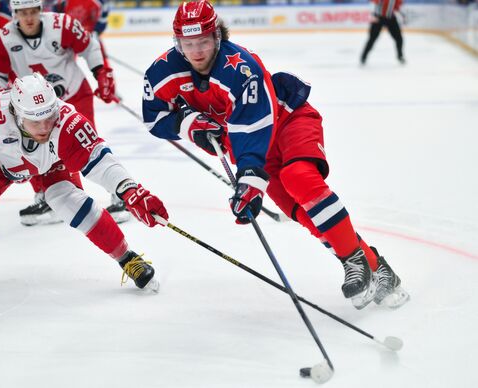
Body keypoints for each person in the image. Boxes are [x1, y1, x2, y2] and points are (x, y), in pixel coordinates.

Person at [142, 0, 409, 309]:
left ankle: (352, 259)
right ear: (177, 43)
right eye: (188, 44)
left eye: (203, 41)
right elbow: (154, 117)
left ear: (217, 37)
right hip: (251, 146)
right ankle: (377, 267)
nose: (197, 51)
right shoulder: (164, 70)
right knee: (305, 214)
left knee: (298, 177)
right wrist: (190, 124)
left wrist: (250, 180)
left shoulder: (239, 67)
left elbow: (254, 125)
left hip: (287, 122)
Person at [0, 73, 168, 291]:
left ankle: (127, 256)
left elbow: (99, 158)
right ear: (16, 114)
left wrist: (130, 190)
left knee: (68, 200)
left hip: (51, 163)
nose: (44, 128)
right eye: (34, 121)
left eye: (49, 117)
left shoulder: (66, 119)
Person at [0, 0, 128, 227]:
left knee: (86, 146)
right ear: (14, 13)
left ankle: (121, 193)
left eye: (33, 12)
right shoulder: (5, 37)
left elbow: (89, 45)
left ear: (41, 10)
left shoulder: (62, 25)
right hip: (33, 109)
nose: (29, 18)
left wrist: (101, 72)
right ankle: (47, 197)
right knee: (31, 150)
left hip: (73, 95)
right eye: (23, 13)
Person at [52, 0, 127, 220]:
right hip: (63, 60)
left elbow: (99, 29)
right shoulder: (62, 4)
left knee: (87, 141)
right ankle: (64, 194)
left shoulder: (96, 4)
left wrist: (103, 77)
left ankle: (119, 190)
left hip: (83, 45)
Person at [360, 0, 405, 65]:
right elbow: (372, 3)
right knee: (372, 39)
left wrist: (401, 14)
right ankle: (363, 57)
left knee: (399, 38)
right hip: (378, 18)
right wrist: (373, 15)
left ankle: (400, 56)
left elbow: (397, 7)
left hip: (390, 18)